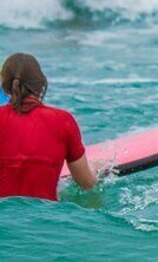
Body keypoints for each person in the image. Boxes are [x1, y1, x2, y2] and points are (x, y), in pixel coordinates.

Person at [0, 53, 97, 201]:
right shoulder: (63, 120)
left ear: (5, 88)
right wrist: (97, 169)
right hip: (46, 217)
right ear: (42, 84)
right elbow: (87, 183)